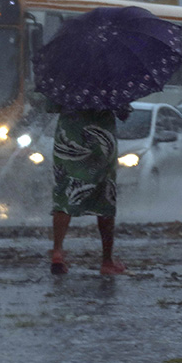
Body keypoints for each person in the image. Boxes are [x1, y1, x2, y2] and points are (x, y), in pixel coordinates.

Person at [49, 106, 128, 276]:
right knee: (104, 192)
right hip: (101, 140)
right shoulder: (110, 81)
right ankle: (107, 261)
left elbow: (51, 106)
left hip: (68, 137)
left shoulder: (65, 80)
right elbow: (123, 112)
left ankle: (57, 252)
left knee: (65, 191)